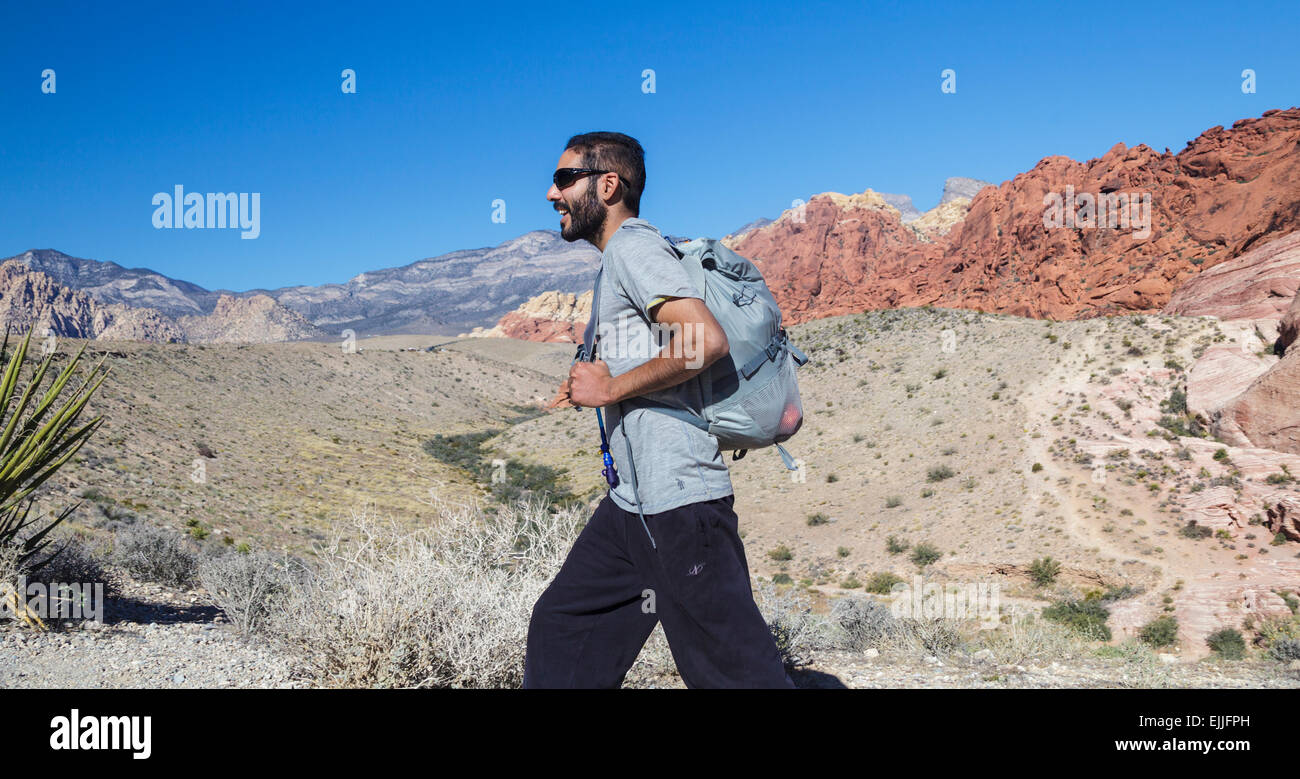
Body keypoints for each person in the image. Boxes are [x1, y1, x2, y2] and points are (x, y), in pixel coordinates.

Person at [522, 131, 794, 689]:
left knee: (733, 671)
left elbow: (703, 342)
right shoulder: (618, 258)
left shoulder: (634, 246)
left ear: (609, 183)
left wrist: (611, 387)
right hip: (632, 506)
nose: (552, 194)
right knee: (563, 627)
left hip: (680, 503)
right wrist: (590, 386)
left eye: (564, 179)